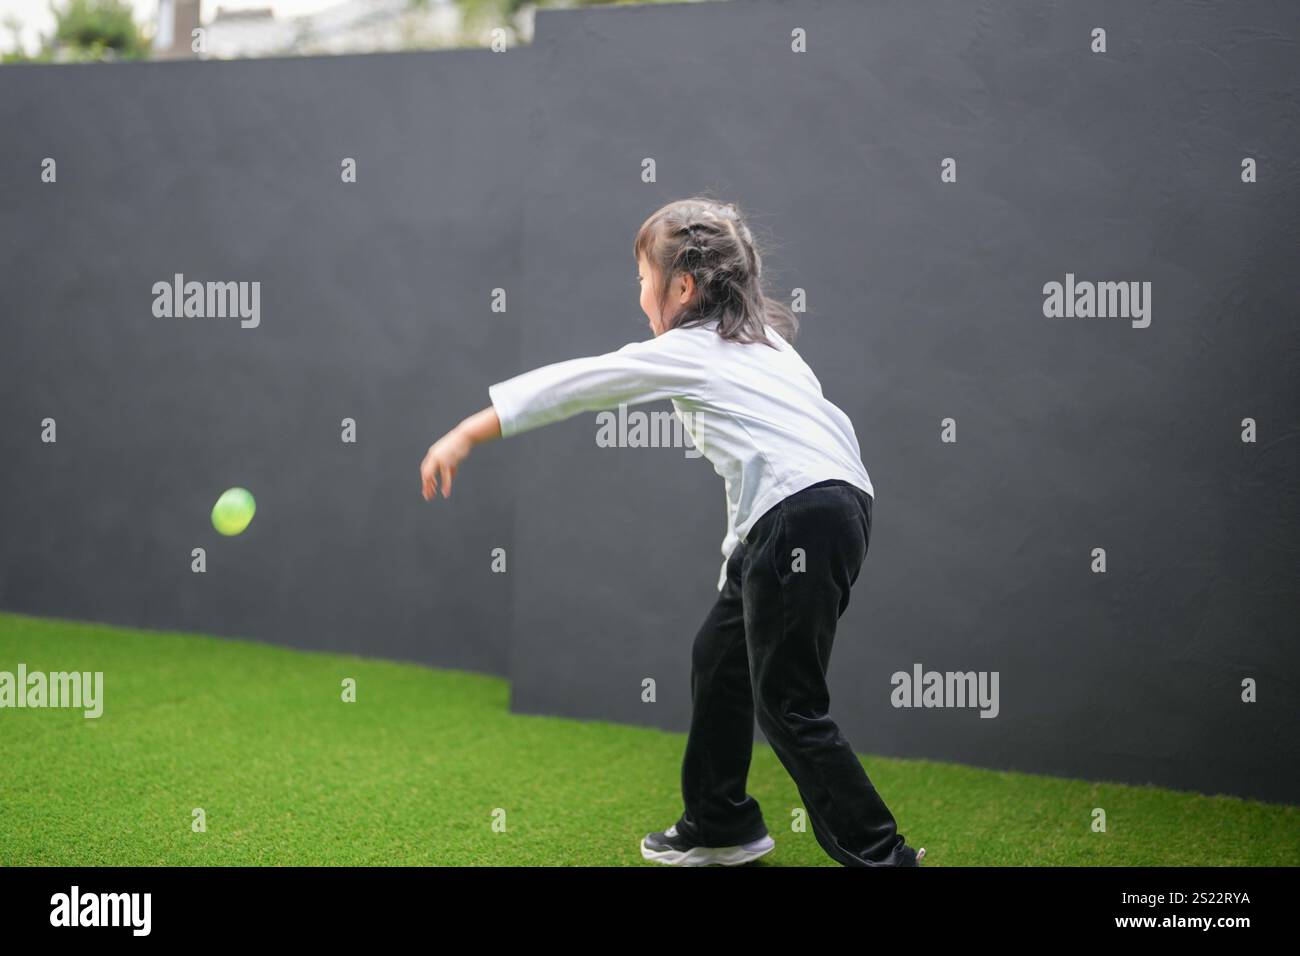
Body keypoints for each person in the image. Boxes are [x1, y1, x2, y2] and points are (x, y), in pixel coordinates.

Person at [419, 197, 924, 867]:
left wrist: (467, 431)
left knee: (789, 705)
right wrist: (738, 569)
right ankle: (721, 822)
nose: (639, 296)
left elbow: (584, 382)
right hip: (828, 508)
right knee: (719, 658)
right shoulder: (767, 347)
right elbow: (762, 469)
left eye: (641, 280)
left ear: (682, 287)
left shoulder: (692, 351)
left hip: (800, 514)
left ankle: (884, 857)